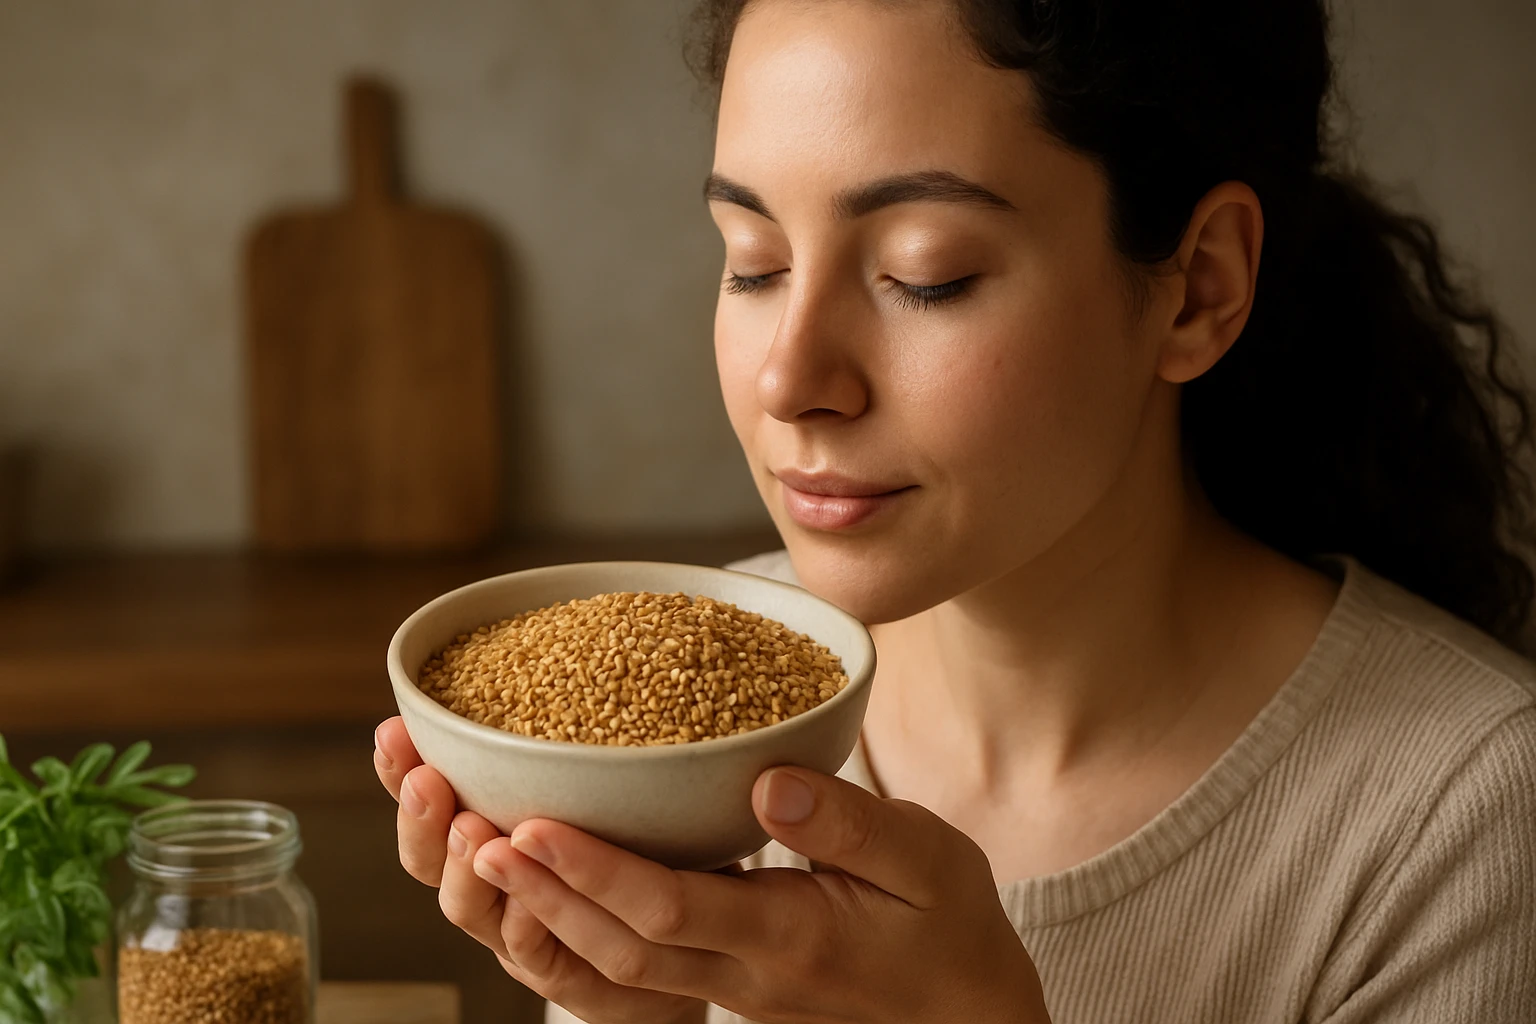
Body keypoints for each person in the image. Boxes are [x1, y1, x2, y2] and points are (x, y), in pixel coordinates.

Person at [372, 1, 1536, 1020]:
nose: (790, 380)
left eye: (926, 275)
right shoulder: (675, 718)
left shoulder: (1468, 813)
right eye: (754, 259)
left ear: (1201, 287)